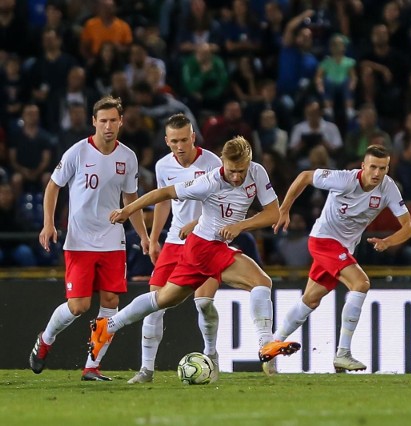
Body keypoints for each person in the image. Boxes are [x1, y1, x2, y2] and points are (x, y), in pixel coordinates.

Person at [88, 136, 300, 376]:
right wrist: (128, 210)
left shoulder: (258, 173)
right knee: (261, 282)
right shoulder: (209, 182)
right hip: (206, 246)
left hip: (202, 247)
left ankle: (107, 326)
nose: (237, 177)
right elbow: (164, 193)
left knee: (163, 299)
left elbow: (273, 214)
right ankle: (265, 344)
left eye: (241, 170)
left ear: (249, 162)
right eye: (231, 171)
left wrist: (241, 226)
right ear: (223, 163)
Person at [30, 96, 149, 381]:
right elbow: (52, 187)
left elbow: (130, 199)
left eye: (113, 120)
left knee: (110, 302)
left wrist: (144, 236)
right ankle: (45, 339)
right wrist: (48, 224)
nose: (108, 126)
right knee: (79, 306)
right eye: (103, 120)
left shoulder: (128, 157)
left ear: (121, 122)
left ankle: (91, 367)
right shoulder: (77, 152)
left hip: (112, 240)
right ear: (94, 122)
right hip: (80, 240)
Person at [272, 145, 411, 372]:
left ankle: (271, 346)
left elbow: (408, 227)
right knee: (361, 283)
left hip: (343, 248)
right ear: (363, 166)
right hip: (323, 240)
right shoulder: (343, 180)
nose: (377, 173)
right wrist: (284, 209)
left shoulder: (388, 188)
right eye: (373, 167)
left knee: (310, 299)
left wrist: (388, 242)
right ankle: (343, 353)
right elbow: (304, 177)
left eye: (383, 168)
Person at [127, 113, 223, 384]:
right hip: (174, 243)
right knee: (154, 305)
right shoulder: (163, 166)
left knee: (204, 303)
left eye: (185, 139)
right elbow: (163, 201)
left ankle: (211, 354)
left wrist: (197, 222)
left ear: (193, 137)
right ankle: (146, 369)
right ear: (167, 141)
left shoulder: (213, 163)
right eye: (175, 141)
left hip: (206, 240)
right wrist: (154, 237)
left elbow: (222, 202)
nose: (180, 146)